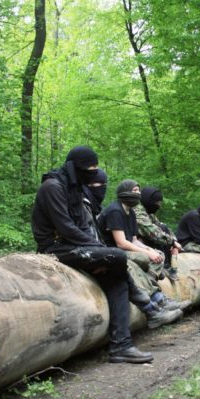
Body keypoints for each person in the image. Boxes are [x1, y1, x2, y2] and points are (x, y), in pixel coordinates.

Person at [31, 145, 153, 364]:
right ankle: (145, 302)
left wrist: (97, 253)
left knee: (116, 279)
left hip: (75, 247)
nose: (93, 174)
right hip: (55, 249)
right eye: (90, 168)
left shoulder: (75, 188)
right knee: (117, 256)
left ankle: (121, 346)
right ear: (74, 167)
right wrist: (100, 251)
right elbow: (66, 228)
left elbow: (81, 226)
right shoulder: (53, 187)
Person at [97, 179, 189, 328]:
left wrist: (149, 250)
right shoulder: (115, 210)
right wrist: (145, 252)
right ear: (124, 192)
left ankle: (158, 299)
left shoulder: (131, 213)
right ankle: (156, 301)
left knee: (158, 255)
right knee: (140, 260)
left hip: (126, 247)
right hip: (112, 250)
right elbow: (121, 242)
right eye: (134, 191)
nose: (138, 194)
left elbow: (133, 240)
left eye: (139, 191)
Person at [134, 186, 182, 281]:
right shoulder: (138, 212)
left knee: (163, 228)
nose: (159, 206)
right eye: (157, 203)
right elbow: (152, 233)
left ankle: (168, 266)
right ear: (149, 201)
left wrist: (174, 241)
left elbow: (161, 226)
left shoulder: (149, 213)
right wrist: (172, 242)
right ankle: (161, 268)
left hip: (144, 243)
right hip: (135, 244)